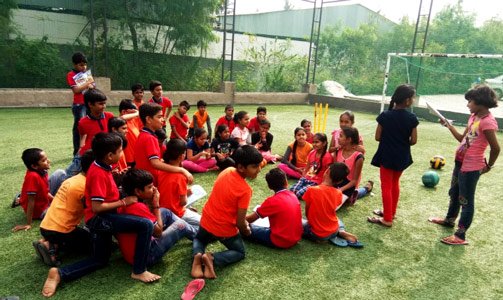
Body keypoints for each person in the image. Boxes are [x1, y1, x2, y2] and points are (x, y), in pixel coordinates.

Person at [41, 133, 160, 298]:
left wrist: (116, 179)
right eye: (119, 151)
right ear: (110, 155)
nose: (122, 154)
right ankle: (139, 270)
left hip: (102, 218)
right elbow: (97, 207)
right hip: (100, 219)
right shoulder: (98, 172)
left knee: (100, 259)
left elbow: (105, 193)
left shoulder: (102, 166)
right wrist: (124, 202)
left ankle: (60, 273)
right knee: (145, 224)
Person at [429, 84, 500, 245]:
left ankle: (460, 235)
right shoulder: (473, 117)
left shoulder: (488, 122)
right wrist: (448, 125)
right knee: (454, 193)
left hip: (471, 167)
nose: (468, 104)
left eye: (470, 101)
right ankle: (449, 220)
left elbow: (496, 148)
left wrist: (488, 166)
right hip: (459, 162)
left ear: (481, 102)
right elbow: (462, 139)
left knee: (466, 200)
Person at [190, 145, 263, 280]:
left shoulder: (227, 170)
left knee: (199, 238)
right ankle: (212, 258)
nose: (259, 170)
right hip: (224, 229)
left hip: (206, 219)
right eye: (254, 166)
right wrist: (246, 231)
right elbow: (240, 223)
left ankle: (197, 256)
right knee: (239, 252)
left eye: (259, 165)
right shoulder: (245, 190)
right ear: (241, 167)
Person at [117, 169, 196, 267]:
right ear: (137, 191)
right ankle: (200, 236)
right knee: (181, 225)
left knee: (165, 211)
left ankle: (196, 234)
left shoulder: (125, 201)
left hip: (132, 253)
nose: (154, 189)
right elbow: (158, 232)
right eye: (149, 187)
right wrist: (156, 204)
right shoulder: (137, 207)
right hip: (146, 256)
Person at [367, 84, 418, 227]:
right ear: (407, 100)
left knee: (386, 186)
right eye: (413, 98)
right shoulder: (412, 118)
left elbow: (377, 137)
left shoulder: (385, 116)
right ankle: (391, 213)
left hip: (387, 156)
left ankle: (387, 219)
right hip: (402, 156)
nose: (413, 100)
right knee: (395, 184)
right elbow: (413, 141)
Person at [34, 150, 94, 266]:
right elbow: (93, 210)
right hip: (61, 231)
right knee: (97, 245)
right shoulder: (86, 185)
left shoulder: (72, 179)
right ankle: (52, 247)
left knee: (78, 234)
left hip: (45, 226)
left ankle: (47, 242)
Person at [302, 162, 363, 247]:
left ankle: (323, 238)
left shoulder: (312, 190)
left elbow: (307, 211)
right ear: (340, 181)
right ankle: (341, 231)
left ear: (327, 171)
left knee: (300, 222)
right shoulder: (338, 193)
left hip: (318, 234)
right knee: (336, 219)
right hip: (333, 230)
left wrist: (309, 221)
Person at [134, 103, 192, 185]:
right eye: (159, 117)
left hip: (145, 180)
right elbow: (155, 163)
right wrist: (181, 170)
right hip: (149, 182)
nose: (163, 119)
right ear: (148, 119)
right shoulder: (150, 138)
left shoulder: (143, 135)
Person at [245, 168, 302, 249]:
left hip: (279, 240)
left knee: (245, 228)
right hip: (295, 238)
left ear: (269, 186)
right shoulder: (292, 195)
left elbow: (249, 220)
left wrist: (237, 220)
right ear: (286, 182)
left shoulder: (272, 201)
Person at [12, 149, 66, 232]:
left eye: (46, 158)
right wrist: (28, 223)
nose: (48, 161)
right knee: (64, 212)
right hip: (39, 210)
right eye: (44, 160)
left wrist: (56, 200)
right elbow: (31, 202)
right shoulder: (33, 176)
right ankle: (22, 197)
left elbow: (45, 191)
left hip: (43, 197)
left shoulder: (42, 170)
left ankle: (21, 197)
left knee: (60, 173)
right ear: (34, 166)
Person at [158, 139, 202, 228]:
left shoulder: (161, 170)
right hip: (177, 212)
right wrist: (186, 193)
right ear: (181, 156)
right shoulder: (180, 176)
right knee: (204, 222)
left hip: (162, 209)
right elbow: (183, 202)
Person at [67, 52, 94, 156]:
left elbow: (93, 87)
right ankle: (77, 151)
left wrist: (91, 86)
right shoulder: (71, 75)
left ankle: (88, 148)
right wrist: (87, 83)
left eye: (85, 64)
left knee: (90, 126)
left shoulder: (87, 74)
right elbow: (76, 90)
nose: (84, 67)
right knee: (79, 128)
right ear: (75, 64)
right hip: (79, 105)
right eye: (81, 65)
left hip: (89, 104)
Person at [290, 133, 333, 198]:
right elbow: (307, 167)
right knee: (292, 190)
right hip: (306, 178)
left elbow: (328, 174)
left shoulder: (327, 157)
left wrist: (322, 186)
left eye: (317, 142)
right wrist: (303, 177)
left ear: (324, 143)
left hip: (317, 182)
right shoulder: (312, 153)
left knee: (298, 193)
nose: (314, 144)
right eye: (313, 142)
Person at [333, 127, 366, 205]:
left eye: (341, 136)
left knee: (336, 204)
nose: (338, 138)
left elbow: (354, 181)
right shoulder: (337, 151)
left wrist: (340, 190)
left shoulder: (358, 157)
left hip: (349, 185)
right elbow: (333, 172)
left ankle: (365, 189)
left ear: (349, 139)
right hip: (336, 183)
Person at [118, 99, 141, 167]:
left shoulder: (133, 120)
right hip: (127, 157)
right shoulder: (121, 122)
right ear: (124, 111)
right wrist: (137, 113)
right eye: (132, 113)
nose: (134, 115)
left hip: (135, 155)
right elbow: (121, 118)